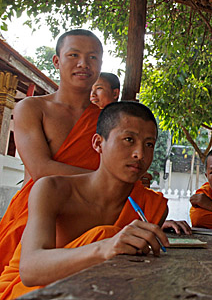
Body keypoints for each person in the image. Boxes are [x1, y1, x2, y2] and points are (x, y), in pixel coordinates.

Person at [0, 102, 170, 299]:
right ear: (98, 143)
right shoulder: (53, 190)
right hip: (26, 292)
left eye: (149, 144)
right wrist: (105, 246)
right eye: (129, 139)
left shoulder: (153, 207)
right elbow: (30, 270)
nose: (139, 154)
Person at [0, 30, 104, 272]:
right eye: (74, 55)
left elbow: (121, 175)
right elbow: (41, 169)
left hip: (90, 216)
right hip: (35, 218)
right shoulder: (32, 108)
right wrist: (106, 180)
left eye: (92, 57)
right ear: (57, 61)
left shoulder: (108, 120)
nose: (83, 64)